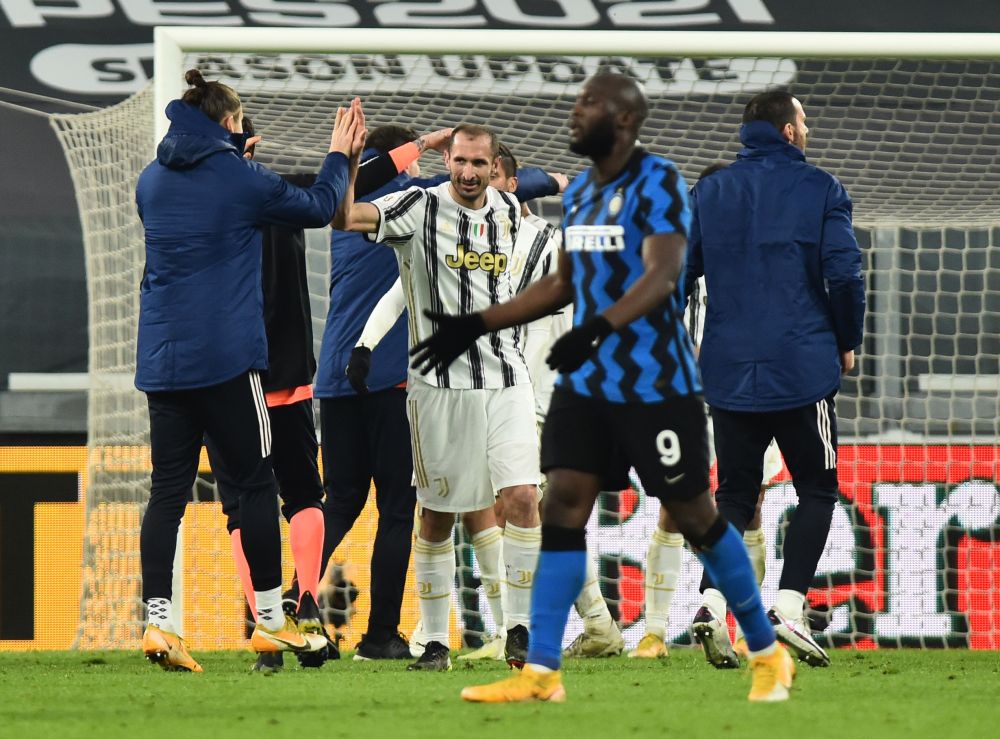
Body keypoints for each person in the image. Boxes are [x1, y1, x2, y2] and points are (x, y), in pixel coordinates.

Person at [409, 72, 795, 703]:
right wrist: (475, 325)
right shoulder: (584, 192)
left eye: (587, 104)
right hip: (586, 386)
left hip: (653, 382)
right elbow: (561, 284)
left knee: (697, 516)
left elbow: (664, 272)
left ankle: (765, 651)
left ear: (621, 119)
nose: (574, 113)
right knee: (558, 509)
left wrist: (600, 327)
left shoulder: (659, 181)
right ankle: (540, 670)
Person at [134, 69, 364, 672]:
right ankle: (270, 621)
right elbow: (317, 207)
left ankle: (158, 624)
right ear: (230, 124)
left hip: (161, 361)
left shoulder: (150, 181)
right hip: (228, 363)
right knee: (256, 483)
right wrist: (340, 155)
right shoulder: (240, 178)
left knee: (167, 493)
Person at [208, 119, 448, 672]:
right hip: (389, 374)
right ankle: (381, 634)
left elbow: (357, 178)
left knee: (338, 499)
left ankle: (297, 597)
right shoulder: (413, 202)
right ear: (404, 162)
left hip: (335, 376)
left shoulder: (346, 203)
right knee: (396, 505)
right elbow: (491, 186)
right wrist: (551, 182)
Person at [333, 124, 544, 672]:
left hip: (505, 379)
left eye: (480, 164)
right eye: (460, 162)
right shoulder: (416, 206)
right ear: (446, 159)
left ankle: (521, 629)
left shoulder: (509, 213)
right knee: (436, 517)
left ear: (494, 164)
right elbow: (344, 218)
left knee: (522, 498)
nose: (469, 173)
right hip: (438, 389)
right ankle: (432, 641)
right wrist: (348, 162)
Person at [684, 90, 865, 669]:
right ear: (789, 132)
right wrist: (847, 340)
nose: (807, 129)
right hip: (801, 367)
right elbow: (844, 275)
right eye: (804, 121)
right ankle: (788, 605)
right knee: (817, 488)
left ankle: (713, 603)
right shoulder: (822, 189)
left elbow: (676, 276)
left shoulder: (708, 191)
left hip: (729, 371)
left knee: (734, 495)